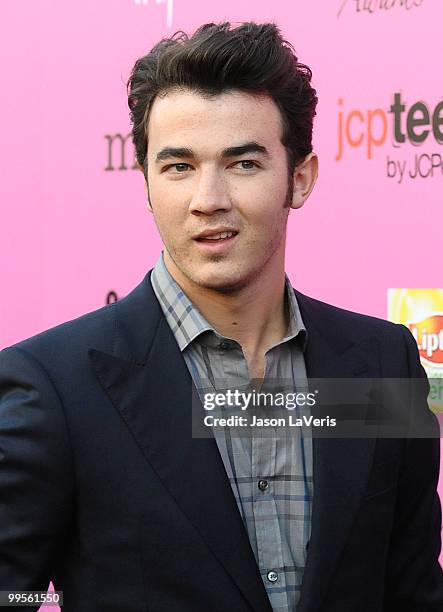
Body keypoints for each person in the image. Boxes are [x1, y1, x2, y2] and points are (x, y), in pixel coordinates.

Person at [0, 21, 442, 612]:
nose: (207, 198)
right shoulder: (55, 386)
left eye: (242, 164)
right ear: (148, 183)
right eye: (178, 167)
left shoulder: (382, 363)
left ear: (300, 178)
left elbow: (410, 588)